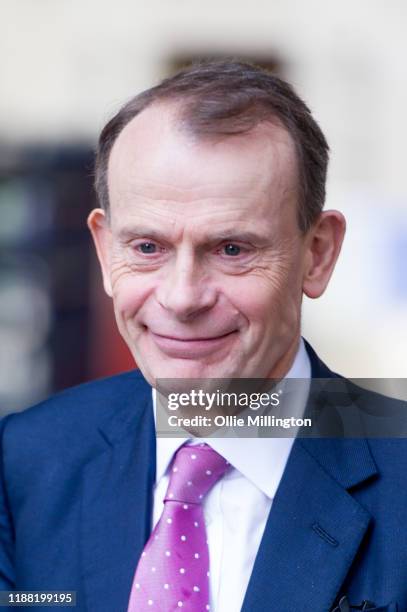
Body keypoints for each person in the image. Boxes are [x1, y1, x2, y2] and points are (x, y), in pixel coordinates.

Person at [0, 60, 406, 612]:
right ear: (104, 250)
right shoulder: (27, 461)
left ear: (317, 254)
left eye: (232, 249)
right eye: (147, 248)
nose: (182, 297)